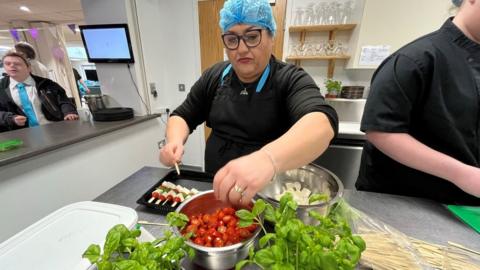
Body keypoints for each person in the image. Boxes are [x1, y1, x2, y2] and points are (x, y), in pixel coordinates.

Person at [159, 0, 338, 206]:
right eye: (232, 39)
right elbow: (183, 115)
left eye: (252, 36)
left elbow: (322, 124)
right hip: (216, 189)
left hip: (269, 197)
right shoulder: (215, 76)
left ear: (271, 36)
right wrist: (174, 141)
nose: (241, 48)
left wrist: (266, 159)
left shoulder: (290, 78)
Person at [356, 0, 480, 205]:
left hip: (467, 208)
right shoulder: (415, 59)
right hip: (407, 202)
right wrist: (462, 174)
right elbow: (380, 130)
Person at [0, 50, 78, 132]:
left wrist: (69, 112)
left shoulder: (47, 84)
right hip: (22, 133)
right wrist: (10, 118)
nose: (12, 66)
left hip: (54, 128)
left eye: (17, 64)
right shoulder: (1, 88)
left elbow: (64, 100)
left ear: (29, 67)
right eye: (8, 64)